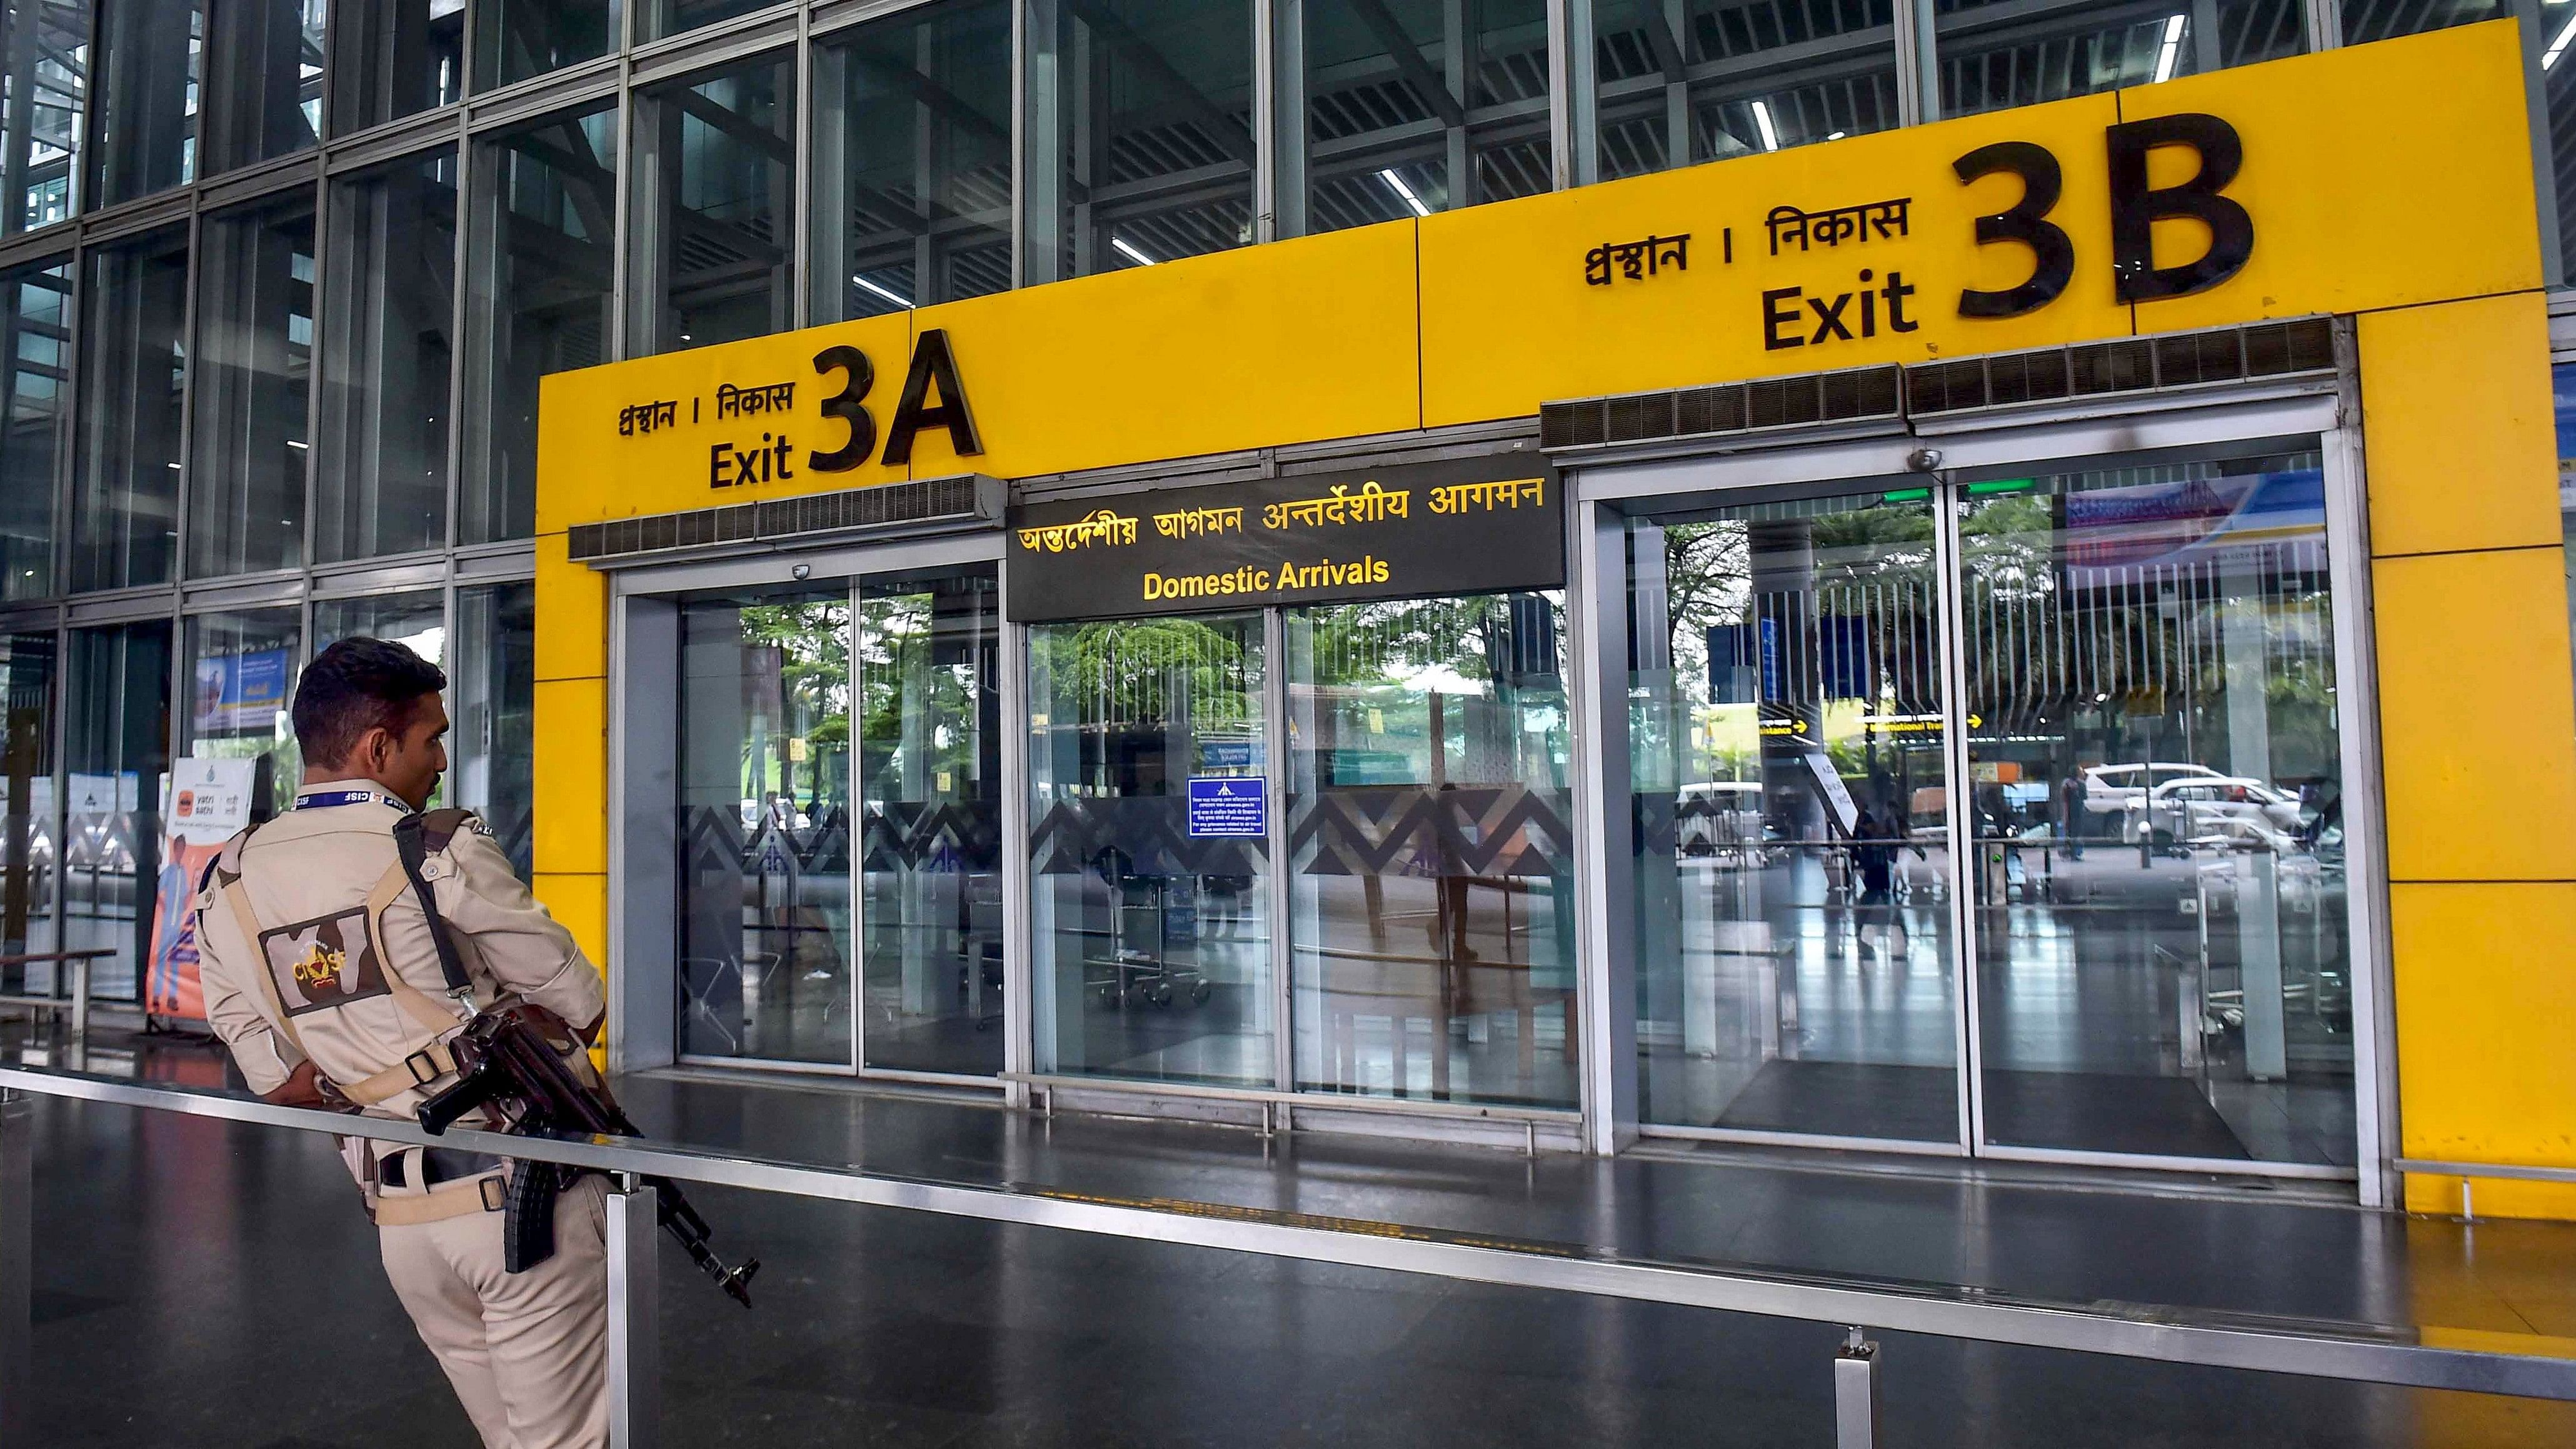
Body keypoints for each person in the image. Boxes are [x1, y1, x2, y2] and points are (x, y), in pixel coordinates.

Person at [190, 638, 611, 1449]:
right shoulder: (434, 845)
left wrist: (370, 1062)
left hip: (401, 1220)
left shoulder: (231, 878)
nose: (443, 759)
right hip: (523, 1199)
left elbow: (275, 1075)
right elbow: (580, 1003)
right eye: (432, 738)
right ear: (378, 748)